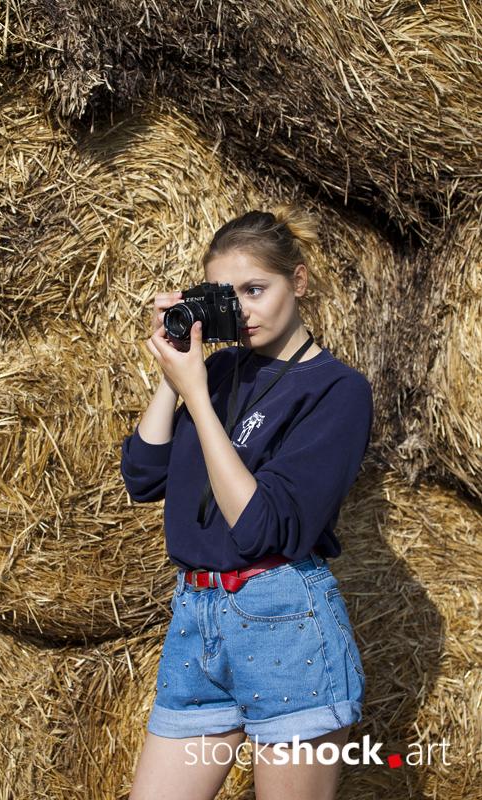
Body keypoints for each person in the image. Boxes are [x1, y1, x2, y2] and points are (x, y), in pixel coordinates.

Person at [122, 204, 373, 800]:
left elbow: (261, 525)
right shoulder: (222, 369)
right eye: (228, 296)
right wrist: (172, 369)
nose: (245, 310)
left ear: (300, 281)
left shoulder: (338, 391)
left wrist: (198, 400)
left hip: (282, 621)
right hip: (196, 621)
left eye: (256, 289)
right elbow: (142, 474)